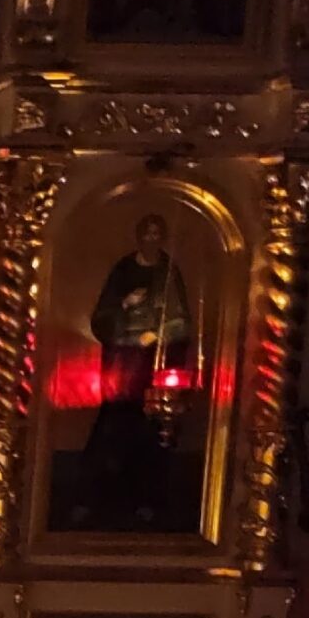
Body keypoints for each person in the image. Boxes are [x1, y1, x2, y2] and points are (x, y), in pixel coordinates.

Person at [75, 213, 192, 530]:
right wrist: (125, 304)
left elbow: (181, 321)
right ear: (139, 237)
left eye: (157, 234)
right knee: (114, 424)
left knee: (150, 429)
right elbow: (103, 317)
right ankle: (93, 499)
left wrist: (158, 334)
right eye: (147, 233)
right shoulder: (124, 270)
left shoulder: (168, 272)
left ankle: (147, 501)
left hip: (153, 363)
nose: (152, 239)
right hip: (123, 362)